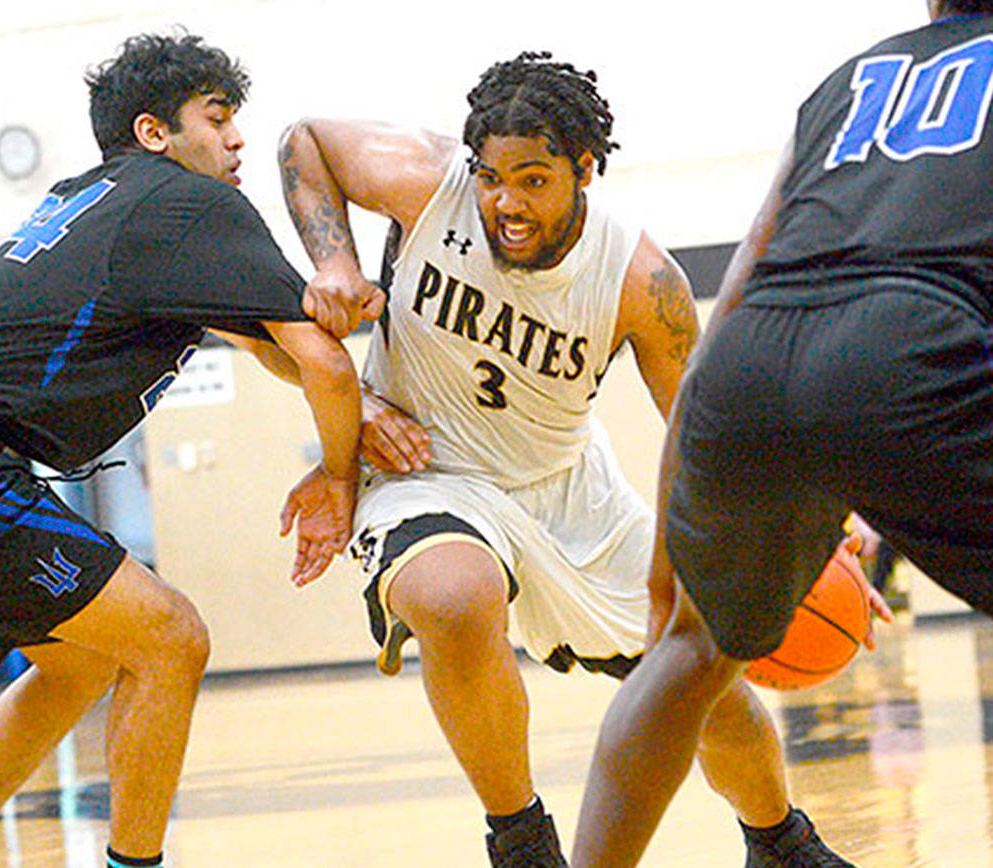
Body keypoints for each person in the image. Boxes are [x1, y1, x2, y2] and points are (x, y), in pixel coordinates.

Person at [277, 52, 879, 868]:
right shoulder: (423, 183)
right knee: (454, 596)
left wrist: (803, 522)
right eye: (491, 178)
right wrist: (335, 260)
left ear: (584, 170)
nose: (505, 204)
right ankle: (521, 839)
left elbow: (701, 425)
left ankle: (781, 843)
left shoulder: (639, 275)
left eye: (532, 181)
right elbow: (304, 139)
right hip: (427, 475)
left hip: (569, 490)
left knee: (700, 669)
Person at [0, 32, 362, 868]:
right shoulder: (191, 205)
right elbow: (324, 362)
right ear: (155, 133)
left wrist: (366, 403)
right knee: (171, 638)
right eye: (216, 119)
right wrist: (341, 472)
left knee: (77, 665)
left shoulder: (110, 201)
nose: (237, 140)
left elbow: (275, 350)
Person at [568, 3, 993, 866]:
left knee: (687, 654)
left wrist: (670, 567)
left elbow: (734, 289)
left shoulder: (850, 81)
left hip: (752, 357)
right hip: (916, 341)